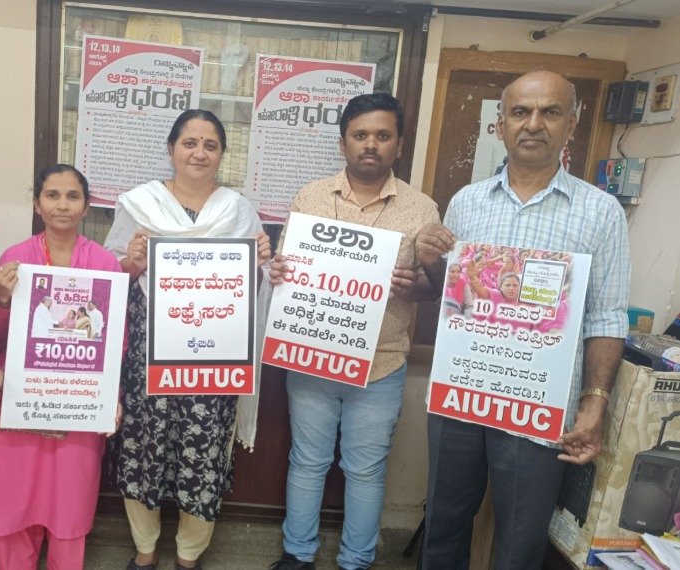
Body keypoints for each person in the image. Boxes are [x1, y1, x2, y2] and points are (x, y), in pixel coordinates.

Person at [416, 70, 630, 569]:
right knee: (444, 524)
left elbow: (607, 314)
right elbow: (450, 295)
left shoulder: (601, 212)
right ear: (500, 125)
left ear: (571, 125)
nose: (533, 124)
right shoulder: (466, 202)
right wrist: (428, 258)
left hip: (538, 407)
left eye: (549, 112)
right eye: (520, 112)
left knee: (520, 540)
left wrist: (595, 403)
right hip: (461, 397)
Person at [267, 92, 441, 570]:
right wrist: (278, 270)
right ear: (343, 142)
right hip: (312, 356)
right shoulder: (311, 195)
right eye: (360, 135)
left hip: (381, 363)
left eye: (382, 136)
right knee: (308, 462)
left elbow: (435, 287)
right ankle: (298, 555)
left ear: (398, 144)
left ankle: (356, 561)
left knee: (365, 471)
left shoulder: (422, 208)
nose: (371, 144)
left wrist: (419, 283)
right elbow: (288, 268)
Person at [104, 109, 272, 570]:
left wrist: (262, 260)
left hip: (214, 352)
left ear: (221, 154)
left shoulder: (238, 210)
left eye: (211, 144)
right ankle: (144, 549)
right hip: (148, 347)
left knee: (204, 450)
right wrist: (133, 260)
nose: (199, 152)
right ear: (171, 149)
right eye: (189, 142)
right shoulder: (139, 203)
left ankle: (188, 554)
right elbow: (113, 276)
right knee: (145, 443)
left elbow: (254, 282)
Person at [0, 164, 124, 570]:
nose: (62, 205)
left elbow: (115, 343)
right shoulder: (16, 258)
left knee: (68, 502)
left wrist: (114, 398)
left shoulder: (105, 264)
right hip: (17, 398)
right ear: (37, 204)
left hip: (77, 405)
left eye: (72, 196)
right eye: (52, 195)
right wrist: (2, 296)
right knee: (13, 498)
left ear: (86, 206)